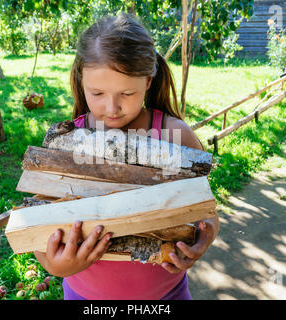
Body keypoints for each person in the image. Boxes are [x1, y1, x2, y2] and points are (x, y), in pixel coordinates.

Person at [34, 13, 220, 300]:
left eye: (127, 93)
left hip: (167, 297)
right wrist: (54, 265)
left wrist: (201, 242)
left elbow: (206, 212)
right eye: (97, 93)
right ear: (80, 80)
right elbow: (35, 221)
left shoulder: (176, 134)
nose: (112, 108)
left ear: (148, 81)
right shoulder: (66, 143)